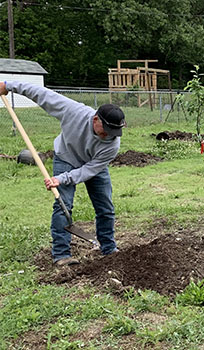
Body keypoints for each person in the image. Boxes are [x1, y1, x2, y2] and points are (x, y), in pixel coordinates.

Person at [0, 81, 125, 266]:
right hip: (66, 158)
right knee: (62, 205)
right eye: (106, 131)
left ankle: (108, 249)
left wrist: (62, 179)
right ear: (95, 119)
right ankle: (62, 255)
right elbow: (40, 93)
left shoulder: (113, 144)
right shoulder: (73, 111)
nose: (109, 135)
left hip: (92, 165)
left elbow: (89, 170)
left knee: (105, 208)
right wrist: (8, 85)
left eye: (114, 132)